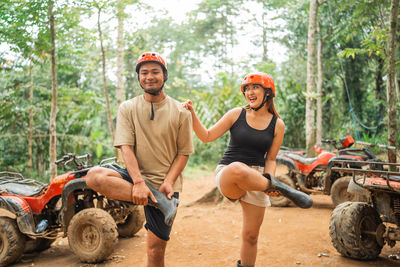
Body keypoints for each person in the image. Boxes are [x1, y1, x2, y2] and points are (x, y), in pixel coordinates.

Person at [182, 72, 312, 267]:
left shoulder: (278, 124)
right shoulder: (236, 114)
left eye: (255, 87)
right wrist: (191, 113)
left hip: (258, 179)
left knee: (251, 236)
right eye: (246, 89)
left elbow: (270, 158)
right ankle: (279, 187)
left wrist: (268, 176)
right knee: (237, 168)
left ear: (268, 93)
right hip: (229, 174)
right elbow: (207, 136)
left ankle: (271, 184)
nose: (249, 92)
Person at [86, 52, 194, 267]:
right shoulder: (128, 108)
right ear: (138, 77)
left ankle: (162, 200)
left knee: (155, 252)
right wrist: (138, 182)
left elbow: (184, 153)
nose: (149, 77)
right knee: (94, 176)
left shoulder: (181, 112)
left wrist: (169, 182)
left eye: (155, 72)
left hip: (164, 184)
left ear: (165, 75)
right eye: (144, 73)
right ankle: (161, 204)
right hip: (134, 176)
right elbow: (126, 147)